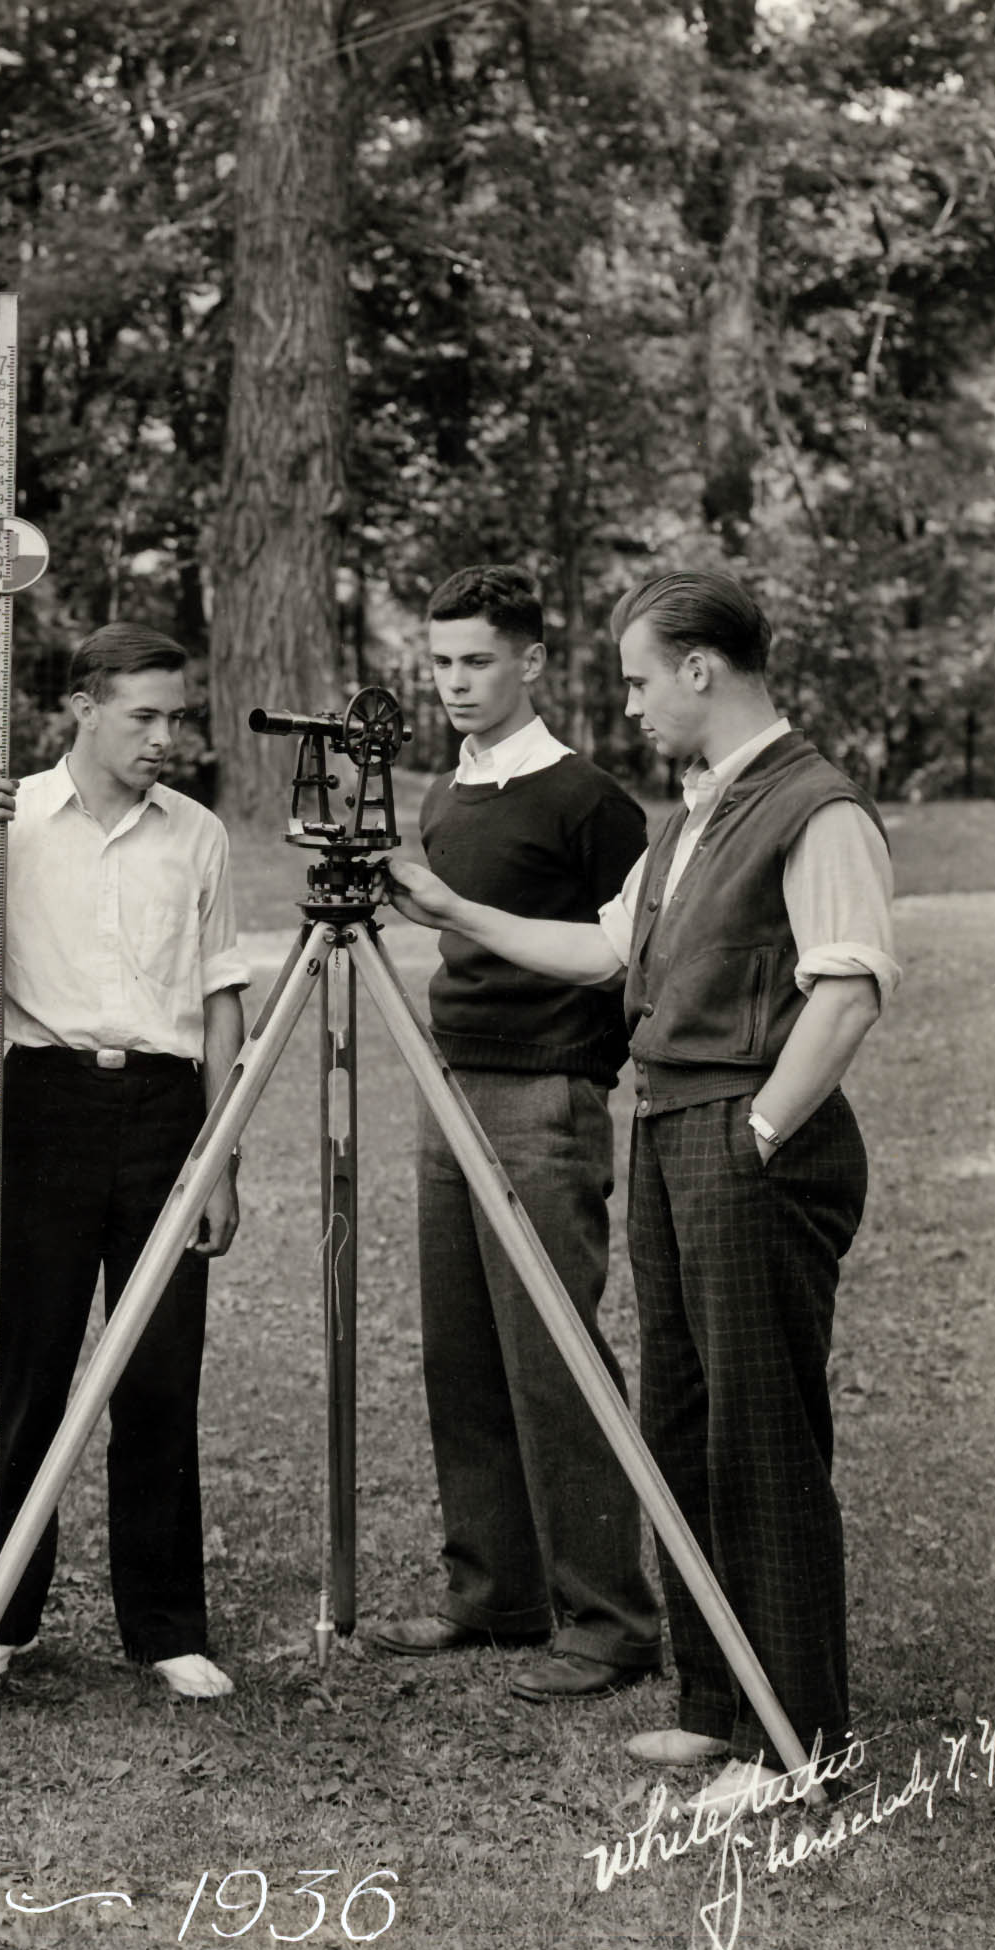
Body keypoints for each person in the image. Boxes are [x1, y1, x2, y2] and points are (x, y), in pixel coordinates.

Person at [388, 568, 895, 1817]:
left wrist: (761, 1130)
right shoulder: (693, 815)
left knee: (761, 1438)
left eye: (637, 679)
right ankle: (720, 1705)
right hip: (674, 1129)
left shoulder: (816, 806)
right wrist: (448, 905)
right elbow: (599, 950)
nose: (629, 704)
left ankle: (797, 1742)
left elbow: (847, 990)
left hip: (745, 1134)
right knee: (680, 1425)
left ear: (700, 671)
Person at [362, 566, 663, 1703]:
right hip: (451, 1084)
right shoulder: (447, 793)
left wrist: (581, 1073)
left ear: (530, 661)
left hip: (544, 1096)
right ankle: (495, 1593)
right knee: (463, 1350)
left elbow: (633, 954)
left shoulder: (588, 800)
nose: (454, 682)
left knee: (552, 1353)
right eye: (440, 662)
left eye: (477, 661)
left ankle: (612, 1619)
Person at [0, 624, 247, 1702]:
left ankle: (165, 1626)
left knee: (160, 1369)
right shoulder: (8, 818)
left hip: (167, 1111)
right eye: (144, 716)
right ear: (83, 708)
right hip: (44, 1102)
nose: (166, 737)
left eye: (178, 717)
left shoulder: (198, 833)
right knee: (26, 1370)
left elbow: (221, 998)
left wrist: (219, 1155)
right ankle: (2, 1614)